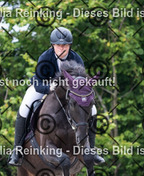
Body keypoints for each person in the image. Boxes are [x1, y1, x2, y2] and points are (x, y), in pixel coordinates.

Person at [8, 27, 105, 167]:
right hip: (45, 88)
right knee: (24, 106)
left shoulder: (76, 58)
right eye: (58, 45)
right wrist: (49, 88)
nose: (61, 48)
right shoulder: (45, 57)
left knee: (93, 110)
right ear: (53, 45)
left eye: (65, 45)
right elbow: (38, 82)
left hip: (69, 93)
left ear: (69, 45)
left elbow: (81, 82)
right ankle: (17, 150)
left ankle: (91, 150)